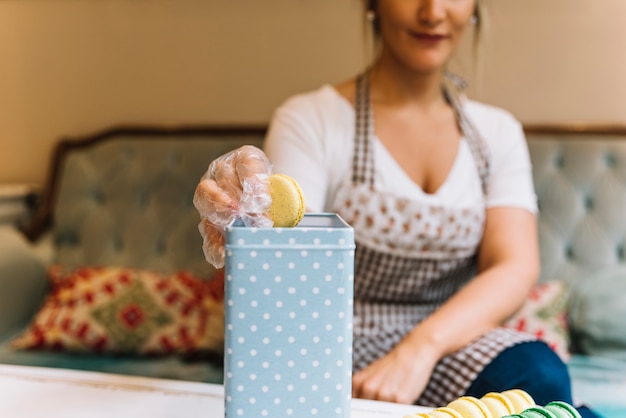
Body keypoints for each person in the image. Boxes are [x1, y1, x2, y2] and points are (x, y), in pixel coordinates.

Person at [194, 1, 598, 416]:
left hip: (449, 335)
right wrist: (246, 211)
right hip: (328, 334)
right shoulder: (309, 119)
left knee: (540, 380)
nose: (433, 10)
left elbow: (513, 266)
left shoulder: (497, 133)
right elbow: (288, 245)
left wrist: (418, 350)